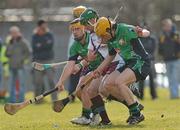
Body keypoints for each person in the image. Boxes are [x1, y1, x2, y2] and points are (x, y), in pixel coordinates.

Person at [93, 17, 151, 125]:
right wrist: (98, 70)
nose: (102, 39)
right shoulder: (110, 38)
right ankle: (135, 105)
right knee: (108, 84)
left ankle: (136, 114)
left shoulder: (125, 29)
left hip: (141, 62)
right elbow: (110, 56)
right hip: (129, 63)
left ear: (109, 30)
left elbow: (146, 33)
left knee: (120, 82)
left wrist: (141, 31)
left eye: (102, 36)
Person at [32, 20, 57, 103]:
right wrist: (44, 44)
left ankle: (55, 99)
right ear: (39, 27)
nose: (44, 28)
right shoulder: (34, 36)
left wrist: (40, 45)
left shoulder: (49, 35)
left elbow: (50, 45)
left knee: (51, 81)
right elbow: (35, 48)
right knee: (38, 82)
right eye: (43, 27)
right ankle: (38, 101)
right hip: (38, 61)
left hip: (48, 61)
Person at [67, 6, 87, 102]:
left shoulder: (85, 30)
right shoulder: (75, 28)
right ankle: (71, 96)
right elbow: (73, 47)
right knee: (75, 79)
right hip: (77, 58)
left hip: (84, 59)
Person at [6, 26, 30, 103]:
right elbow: (6, 53)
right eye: (12, 33)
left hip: (20, 66)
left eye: (15, 32)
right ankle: (12, 101)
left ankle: (21, 100)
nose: (14, 34)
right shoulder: (10, 42)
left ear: (18, 33)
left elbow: (28, 52)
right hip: (11, 66)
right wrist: (8, 53)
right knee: (11, 84)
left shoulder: (23, 42)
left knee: (21, 84)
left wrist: (22, 59)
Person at [159, 19, 180, 99]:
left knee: (175, 77)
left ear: (171, 26)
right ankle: (173, 95)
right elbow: (160, 47)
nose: (167, 27)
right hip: (167, 60)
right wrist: (161, 55)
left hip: (176, 59)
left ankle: (175, 95)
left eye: (168, 26)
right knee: (170, 78)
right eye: (165, 26)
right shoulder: (162, 36)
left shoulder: (176, 34)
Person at [138, 23, 158, 100]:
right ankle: (140, 95)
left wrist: (149, 56)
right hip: (141, 61)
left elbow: (154, 50)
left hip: (150, 60)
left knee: (152, 79)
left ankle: (154, 96)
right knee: (141, 79)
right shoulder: (139, 39)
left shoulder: (152, 39)